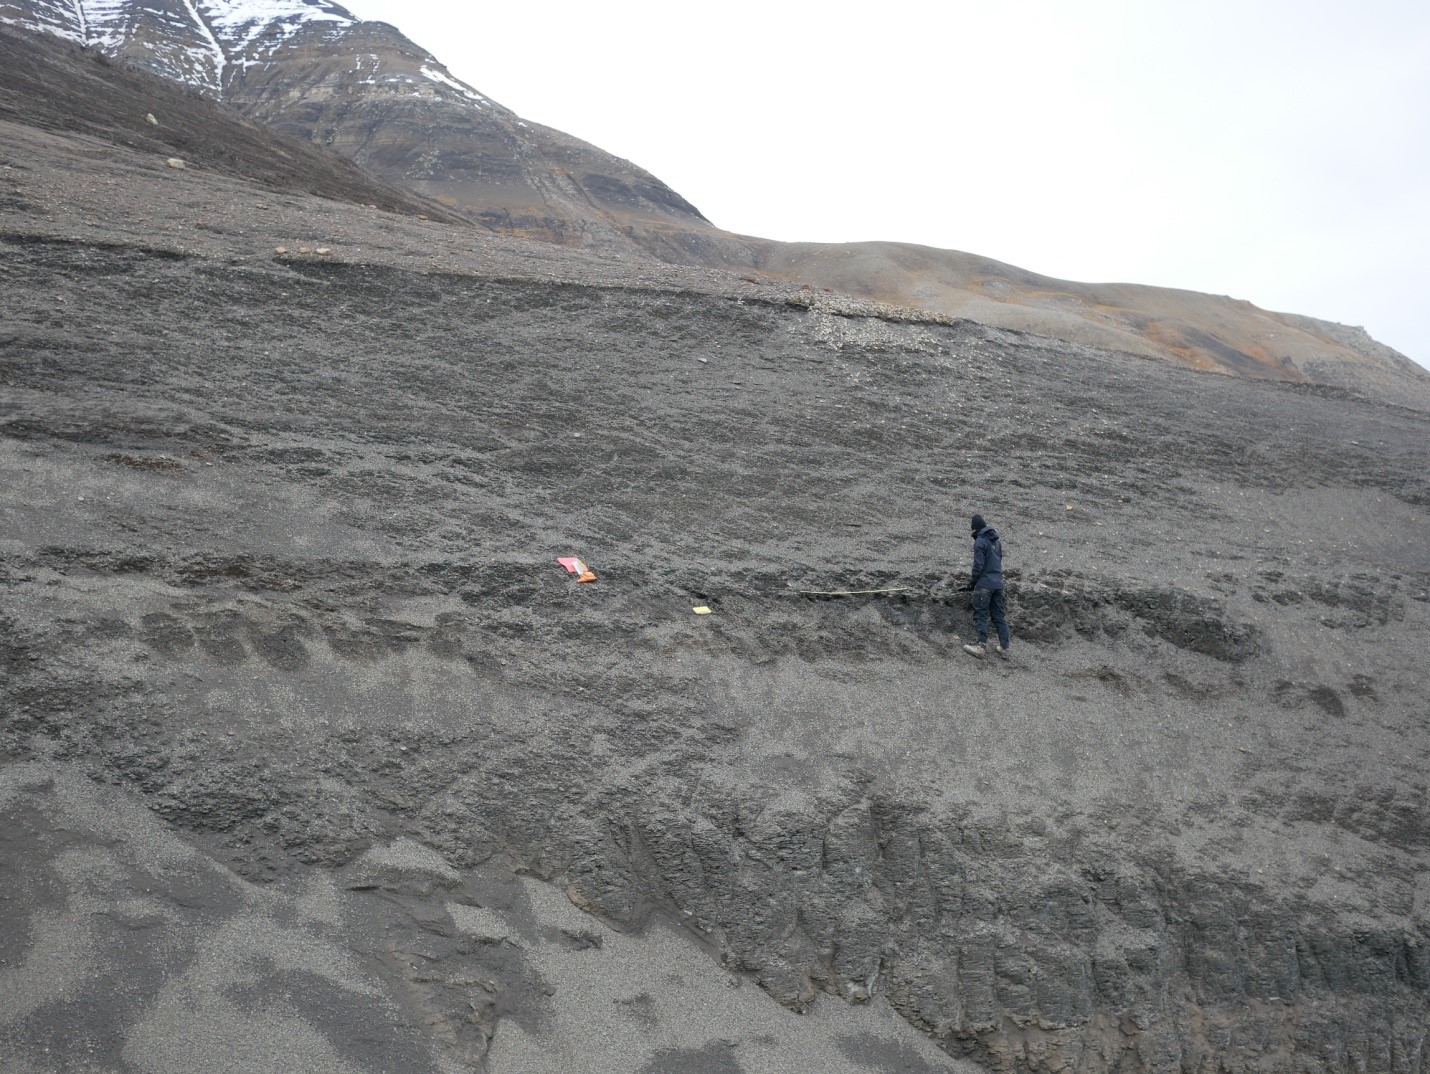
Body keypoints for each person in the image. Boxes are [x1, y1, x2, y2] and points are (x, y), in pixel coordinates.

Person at [962, 514, 1010, 659]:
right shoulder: (997, 542)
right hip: (998, 584)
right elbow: (998, 560)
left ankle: (981, 647)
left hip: (985, 585)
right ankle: (1004, 647)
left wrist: (973, 582)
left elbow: (978, 565)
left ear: (975, 529)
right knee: (998, 616)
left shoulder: (980, 542)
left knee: (981, 614)